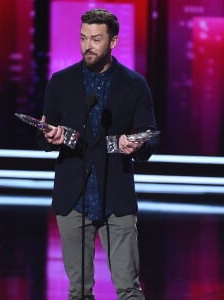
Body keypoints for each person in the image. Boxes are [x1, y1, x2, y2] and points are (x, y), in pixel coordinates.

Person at [37, 8, 158, 300]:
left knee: (128, 289)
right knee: (78, 291)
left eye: (95, 39)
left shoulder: (134, 85)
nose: (87, 46)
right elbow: (45, 136)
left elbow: (150, 137)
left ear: (113, 42)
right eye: (82, 38)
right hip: (72, 197)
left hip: (116, 197)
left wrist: (138, 145)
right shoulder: (61, 82)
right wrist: (50, 137)